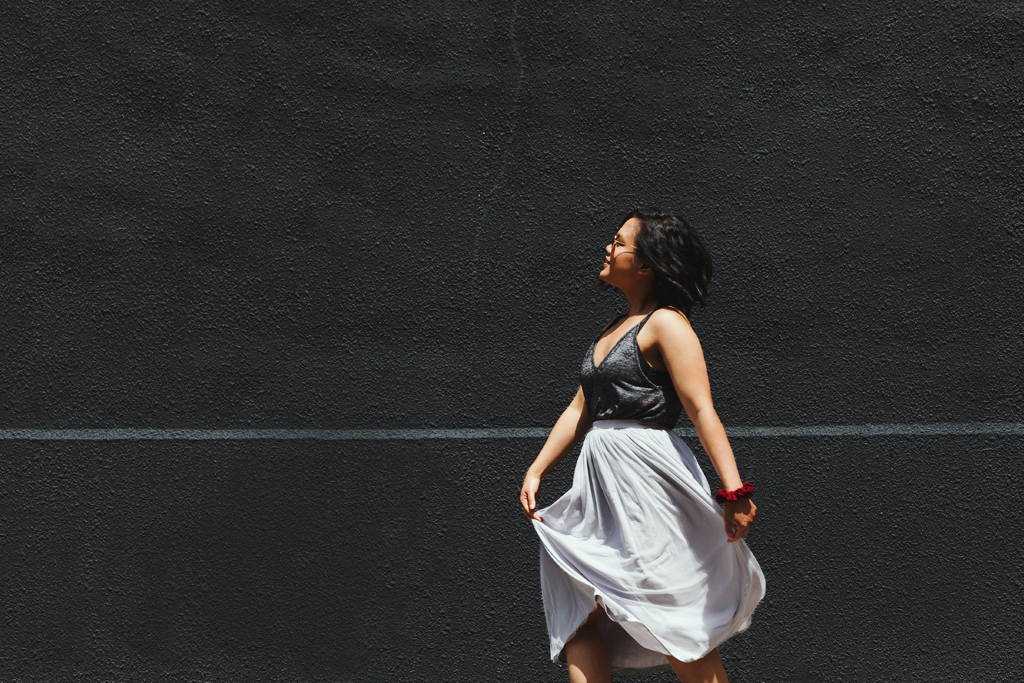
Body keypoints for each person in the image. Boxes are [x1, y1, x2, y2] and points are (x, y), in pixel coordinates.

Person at [520, 208, 765, 683]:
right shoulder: (613, 327)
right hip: (599, 484)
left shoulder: (667, 324)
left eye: (619, 241)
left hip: (646, 482)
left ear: (649, 262)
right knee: (579, 613)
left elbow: (702, 410)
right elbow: (579, 410)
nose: (607, 248)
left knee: (670, 613)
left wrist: (734, 493)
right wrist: (537, 469)